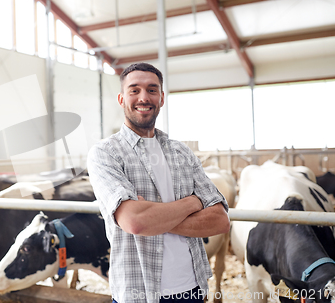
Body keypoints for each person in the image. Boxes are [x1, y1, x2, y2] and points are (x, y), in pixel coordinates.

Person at [87, 62, 230, 303]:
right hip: (138, 293)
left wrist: (154, 216)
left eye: (152, 90)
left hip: (192, 289)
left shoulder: (181, 152)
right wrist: (192, 202)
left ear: (161, 98)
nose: (144, 97)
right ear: (122, 99)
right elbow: (135, 222)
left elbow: (220, 220)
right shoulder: (105, 153)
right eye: (135, 90)